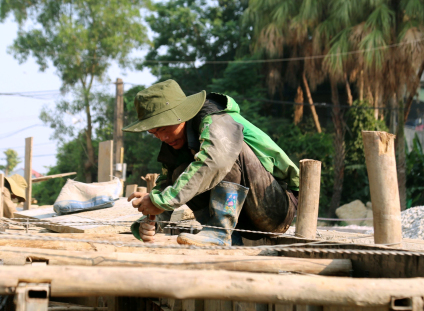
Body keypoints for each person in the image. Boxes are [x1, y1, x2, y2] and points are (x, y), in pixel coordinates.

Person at [123, 79, 300, 246]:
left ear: (180, 115)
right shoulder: (175, 142)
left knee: (222, 154)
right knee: (180, 173)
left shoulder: (215, 118)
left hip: (276, 209)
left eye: (163, 128)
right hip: (244, 222)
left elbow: (216, 162)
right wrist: (152, 218)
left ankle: (219, 232)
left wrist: (161, 201)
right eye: (154, 133)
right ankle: (226, 237)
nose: (163, 137)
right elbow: (169, 184)